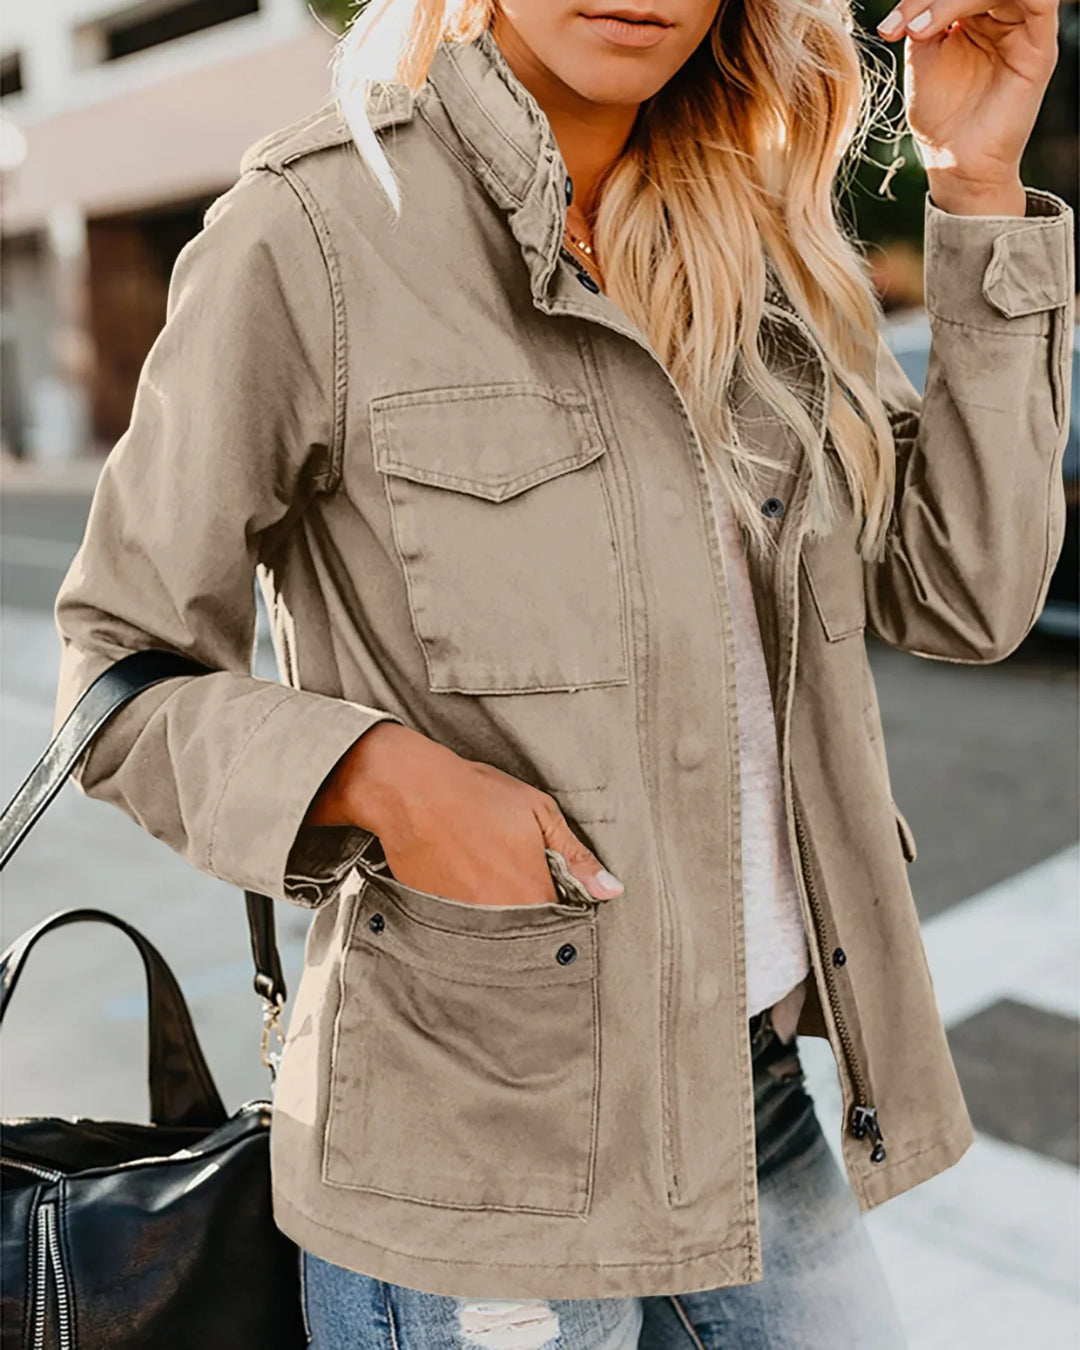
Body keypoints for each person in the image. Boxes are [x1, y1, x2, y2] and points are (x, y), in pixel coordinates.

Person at [52, 0, 1073, 1346]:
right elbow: (119, 667)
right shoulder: (316, 231)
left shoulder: (752, 242)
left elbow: (966, 591)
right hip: (476, 1144)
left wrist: (978, 181)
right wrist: (382, 778)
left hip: (748, 1101)